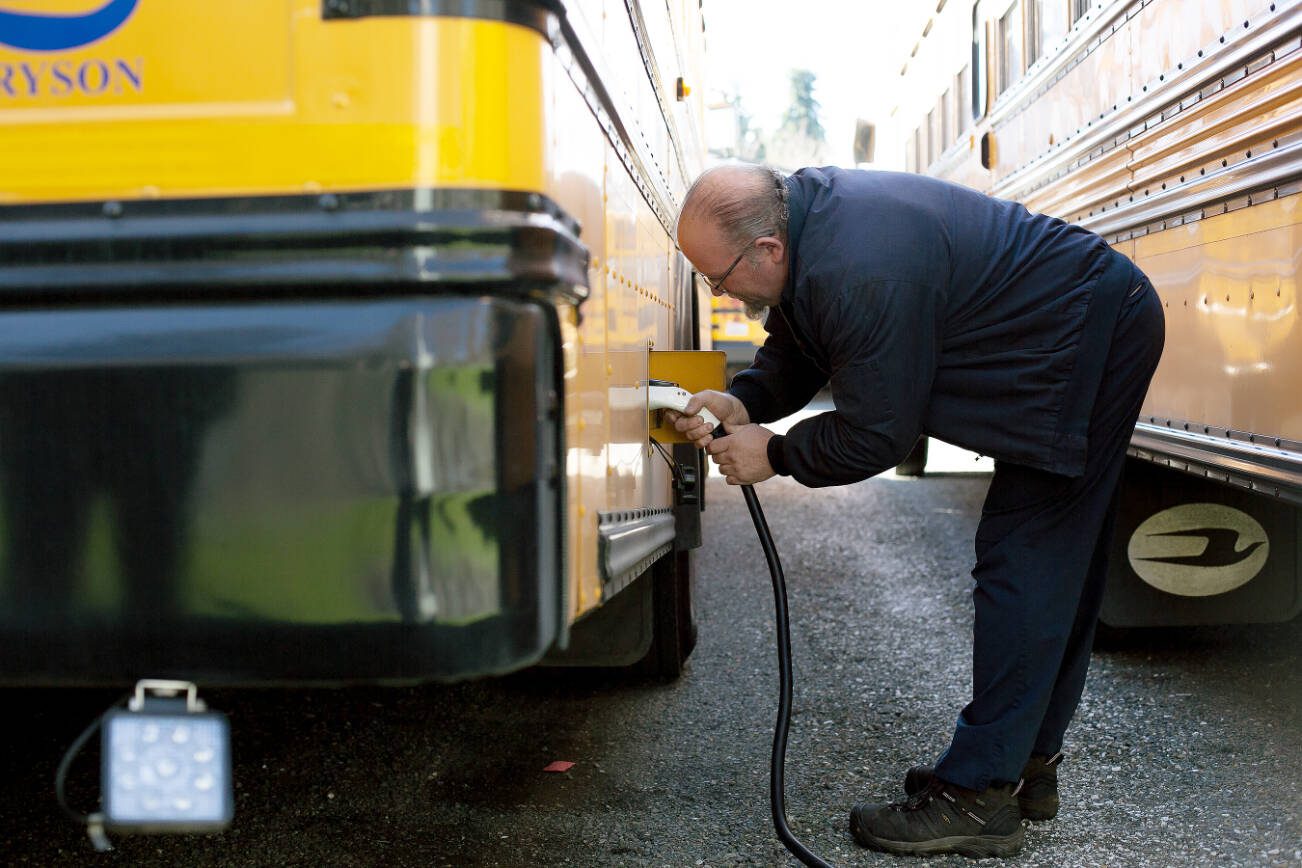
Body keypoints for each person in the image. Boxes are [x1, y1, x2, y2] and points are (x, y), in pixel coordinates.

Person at [666, 164, 1164, 858]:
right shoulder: (811, 230)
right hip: (1076, 321)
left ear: (768, 250)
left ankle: (979, 795)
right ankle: (1024, 762)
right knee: (1053, 559)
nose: (722, 293)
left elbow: (877, 434)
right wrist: (743, 402)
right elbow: (806, 342)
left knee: (1030, 559)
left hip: (1089, 331)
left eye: (719, 279)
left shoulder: (858, 268)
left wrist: (775, 455)